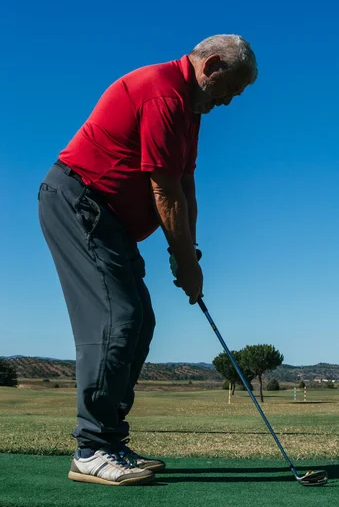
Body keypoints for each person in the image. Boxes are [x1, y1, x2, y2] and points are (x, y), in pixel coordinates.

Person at [38, 34, 258, 486]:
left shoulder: (191, 111)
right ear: (211, 65)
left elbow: (185, 186)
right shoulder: (163, 92)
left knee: (141, 322)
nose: (229, 102)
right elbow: (164, 190)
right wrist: (186, 263)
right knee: (118, 317)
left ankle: (110, 441)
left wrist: (188, 255)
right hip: (78, 200)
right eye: (229, 90)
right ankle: (91, 448)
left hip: (109, 218)